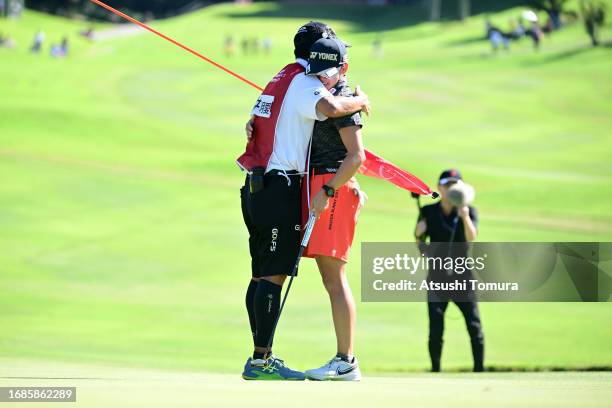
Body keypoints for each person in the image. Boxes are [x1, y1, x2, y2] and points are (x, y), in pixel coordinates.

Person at [238, 21, 371, 381]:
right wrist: (362, 99)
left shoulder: (280, 78)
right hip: (282, 185)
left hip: (257, 185)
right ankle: (262, 360)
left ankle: (262, 358)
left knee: (263, 276)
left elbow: (255, 120)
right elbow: (329, 108)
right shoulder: (307, 83)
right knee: (271, 276)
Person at [295, 38, 365, 381]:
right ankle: (344, 359)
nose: (322, 79)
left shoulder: (345, 100)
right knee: (328, 277)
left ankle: (346, 361)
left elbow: (357, 157)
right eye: (317, 73)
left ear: (344, 69)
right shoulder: (324, 95)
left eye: (329, 74)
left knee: (334, 277)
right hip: (322, 184)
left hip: (332, 187)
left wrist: (328, 190)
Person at [414, 169, 485, 373]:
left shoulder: (469, 211)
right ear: (439, 188)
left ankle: (479, 370)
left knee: (474, 325)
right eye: (447, 184)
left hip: (464, 277)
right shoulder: (427, 212)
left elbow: (472, 237)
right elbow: (422, 251)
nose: (451, 188)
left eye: (455, 184)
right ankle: (435, 370)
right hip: (437, 277)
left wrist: (464, 217)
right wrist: (418, 236)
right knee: (436, 328)